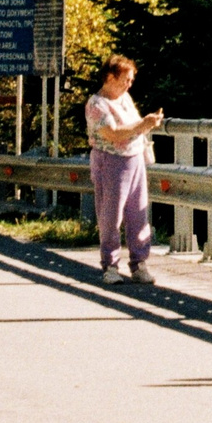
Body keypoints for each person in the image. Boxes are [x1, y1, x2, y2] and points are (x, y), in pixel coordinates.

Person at [84, 56, 163, 285]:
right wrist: (144, 125)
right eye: (125, 79)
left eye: (131, 80)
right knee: (111, 216)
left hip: (134, 159)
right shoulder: (97, 104)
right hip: (110, 161)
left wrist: (146, 125)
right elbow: (114, 133)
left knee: (138, 214)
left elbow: (133, 127)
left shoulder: (125, 98)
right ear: (110, 77)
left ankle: (139, 264)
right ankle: (110, 265)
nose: (129, 84)